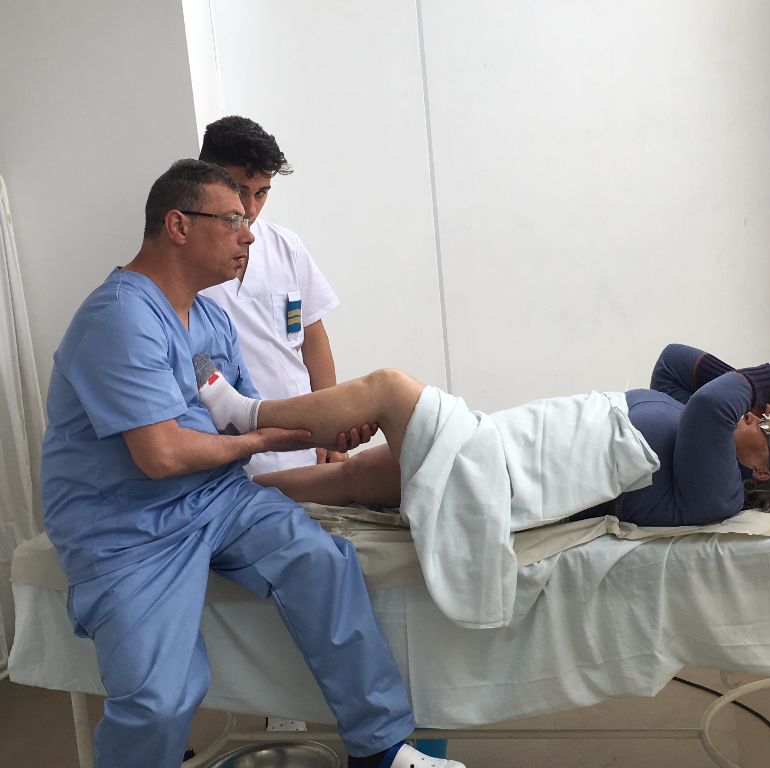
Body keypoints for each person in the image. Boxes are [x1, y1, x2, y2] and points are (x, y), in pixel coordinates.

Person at [40, 159, 466, 768]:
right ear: (178, 225)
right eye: (233, 220)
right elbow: (162, 455)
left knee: (322, 562)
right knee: (161, 699)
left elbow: (238, 417)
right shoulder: (119, 317)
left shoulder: (210, 318)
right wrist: (263, 442)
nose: (249, 235)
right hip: (127, 527)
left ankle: (380, 749)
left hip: (217, 497)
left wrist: (325, 430)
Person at [192, 343, 770, 526]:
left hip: (501, 480)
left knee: (389, 388)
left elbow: (710, 405)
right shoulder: (694, 424)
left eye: (768, 429)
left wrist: (767, 380)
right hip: (500, 445)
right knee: (353, 477)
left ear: (763, 471)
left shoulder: (717, 489)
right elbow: (675, 362)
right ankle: (225, 500)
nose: (757, 416)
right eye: (766, 413)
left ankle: (245, 416)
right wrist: (756, 386)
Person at [199, 115, 345, 474]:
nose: (250, 209)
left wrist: (331, 427)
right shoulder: (190, 261)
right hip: (233, 464)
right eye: (239, 190)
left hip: (307, 449)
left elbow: (313, 339)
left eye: (261, 193)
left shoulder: (286, 246)